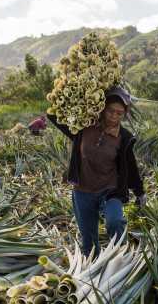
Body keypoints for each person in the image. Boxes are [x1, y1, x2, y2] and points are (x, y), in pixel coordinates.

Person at [46, 86, 145, 257]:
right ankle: (94, 271)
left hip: (110, 190)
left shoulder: (124, 138)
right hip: (83, 191)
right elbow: (53, 116)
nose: (114, 116)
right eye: (111, 111)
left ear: (124, 114)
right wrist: (68, 96)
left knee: (115, 222)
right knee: (89, 242)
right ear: (103, 108)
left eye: (119, 113)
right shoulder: (83, 128)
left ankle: (122, 257)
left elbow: (131, 166)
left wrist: (140, 192)